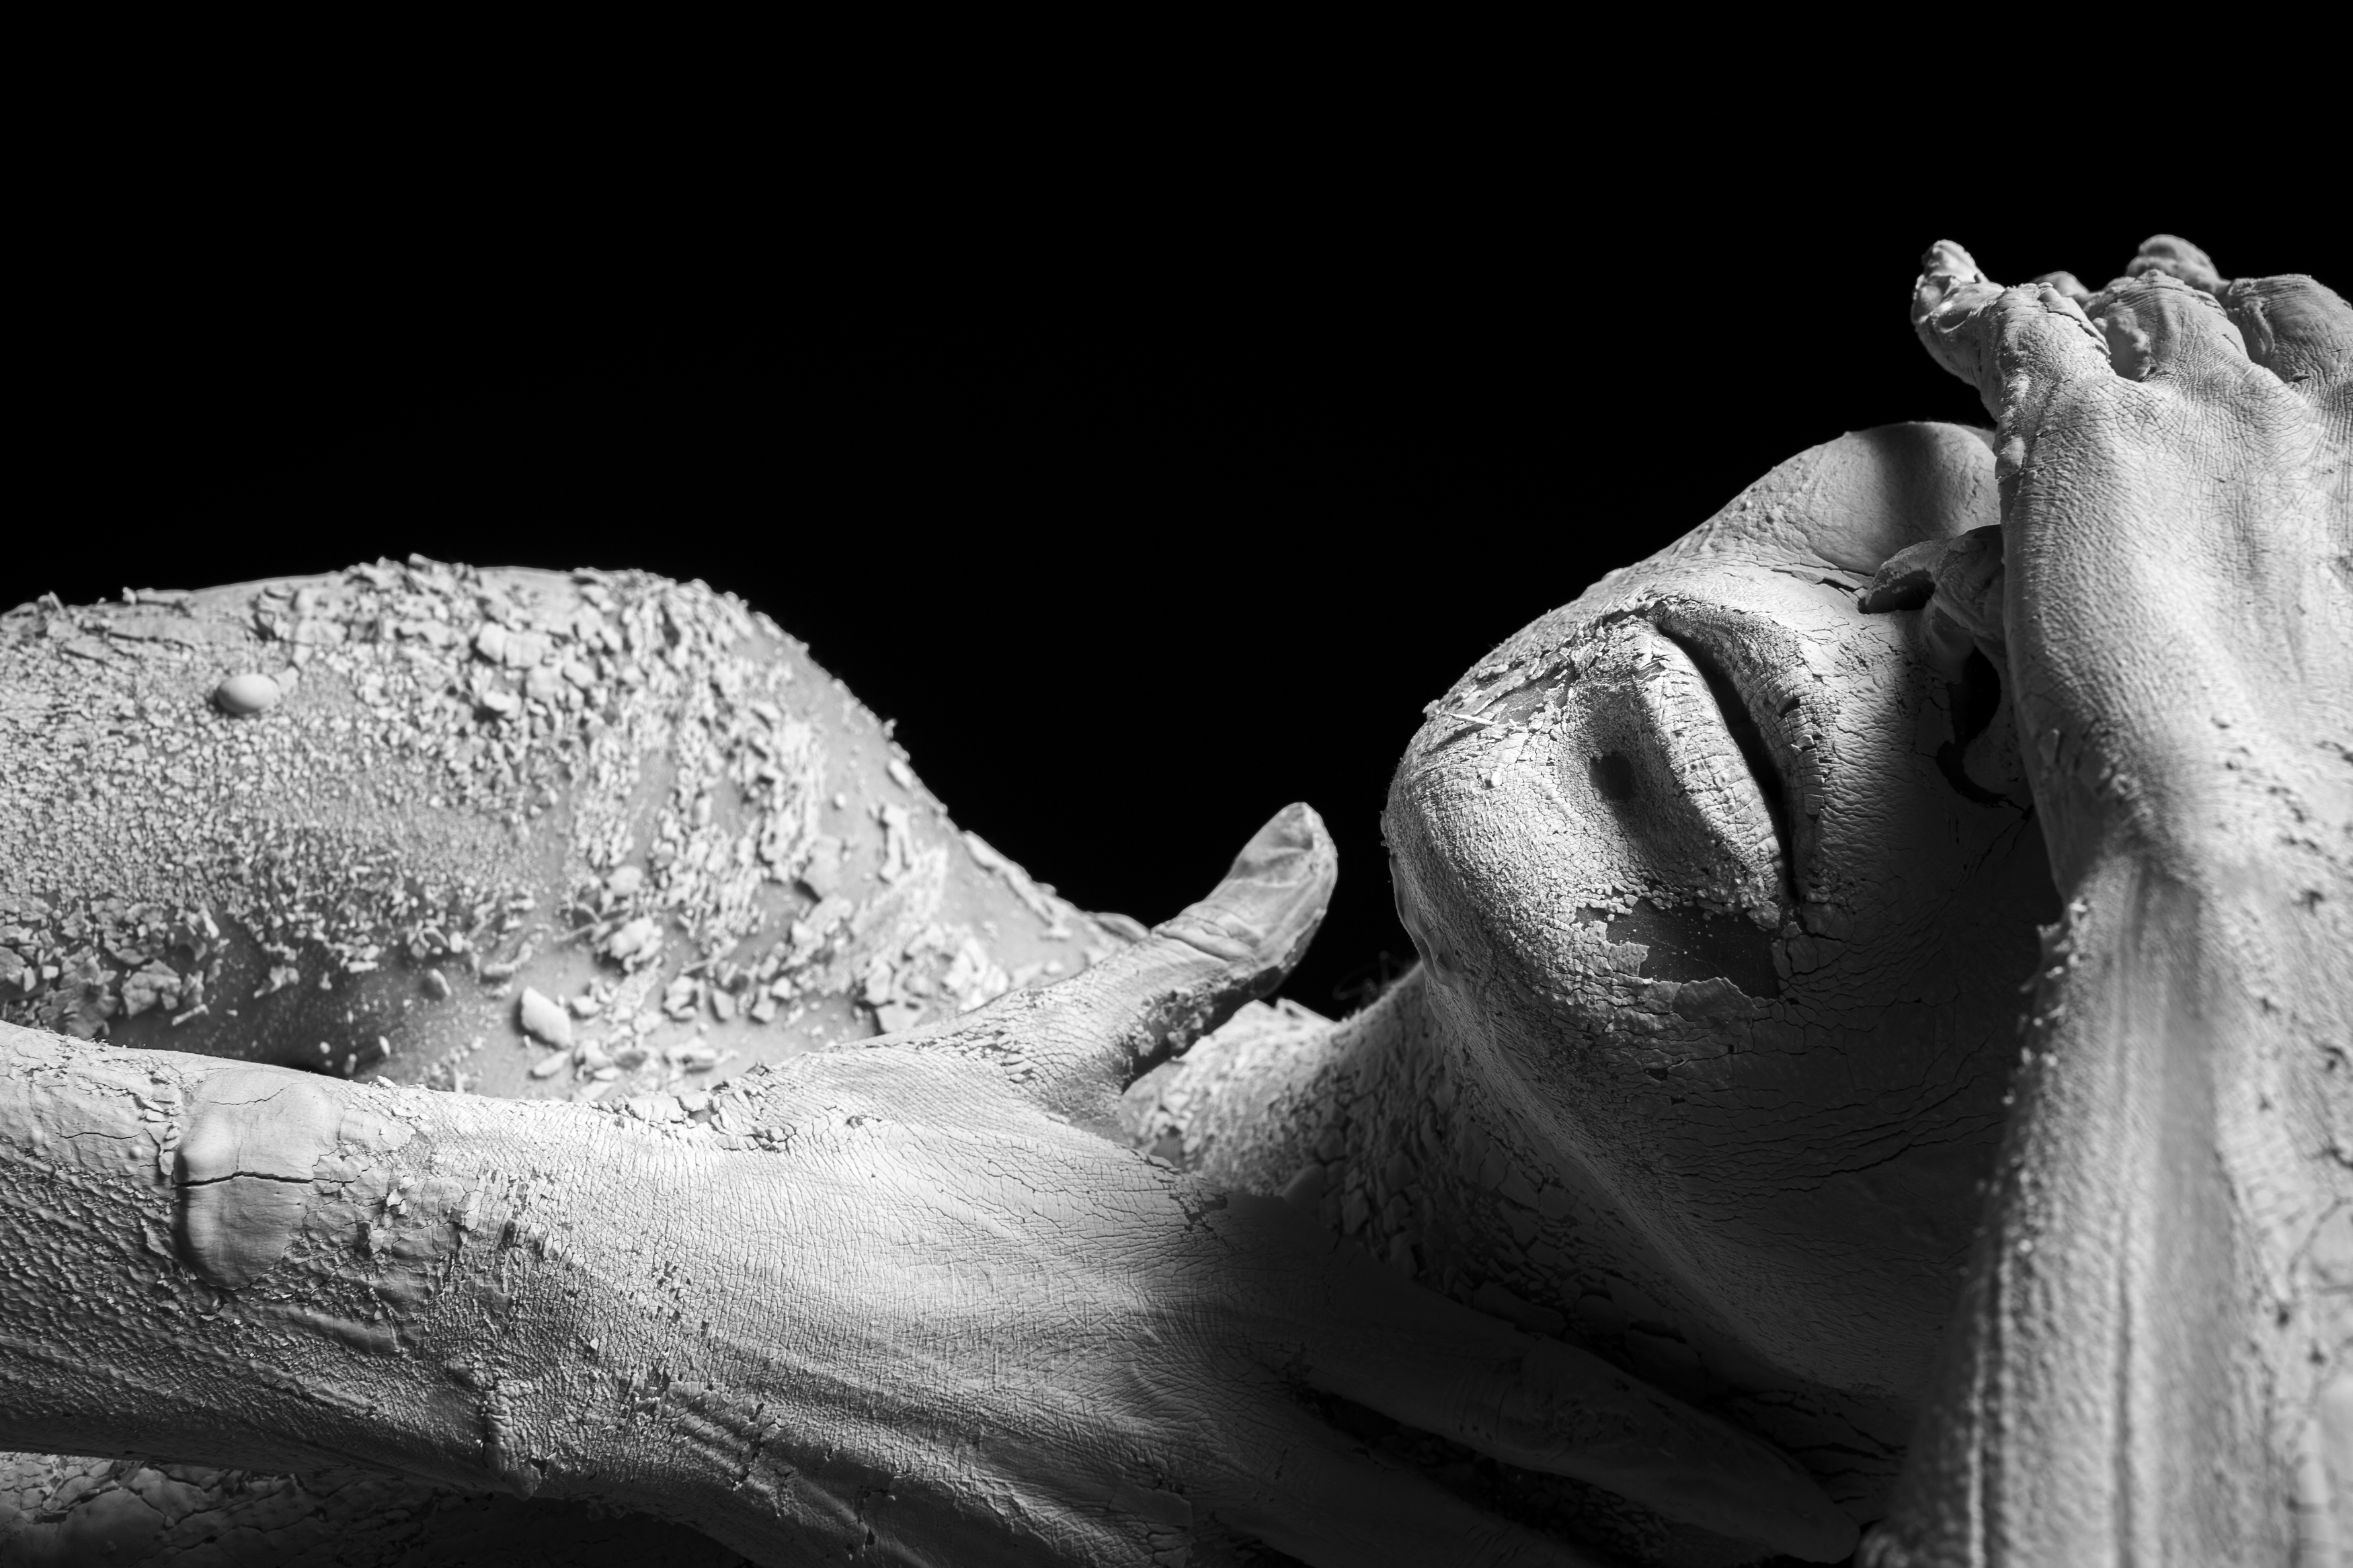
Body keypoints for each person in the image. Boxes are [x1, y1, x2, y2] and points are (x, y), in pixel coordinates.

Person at [1, 234, 2342, 1565]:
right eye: (2082, 477)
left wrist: (2212, 859)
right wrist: (613, 1295)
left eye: (2242, 665)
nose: (1994, 606)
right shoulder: (625, 805)